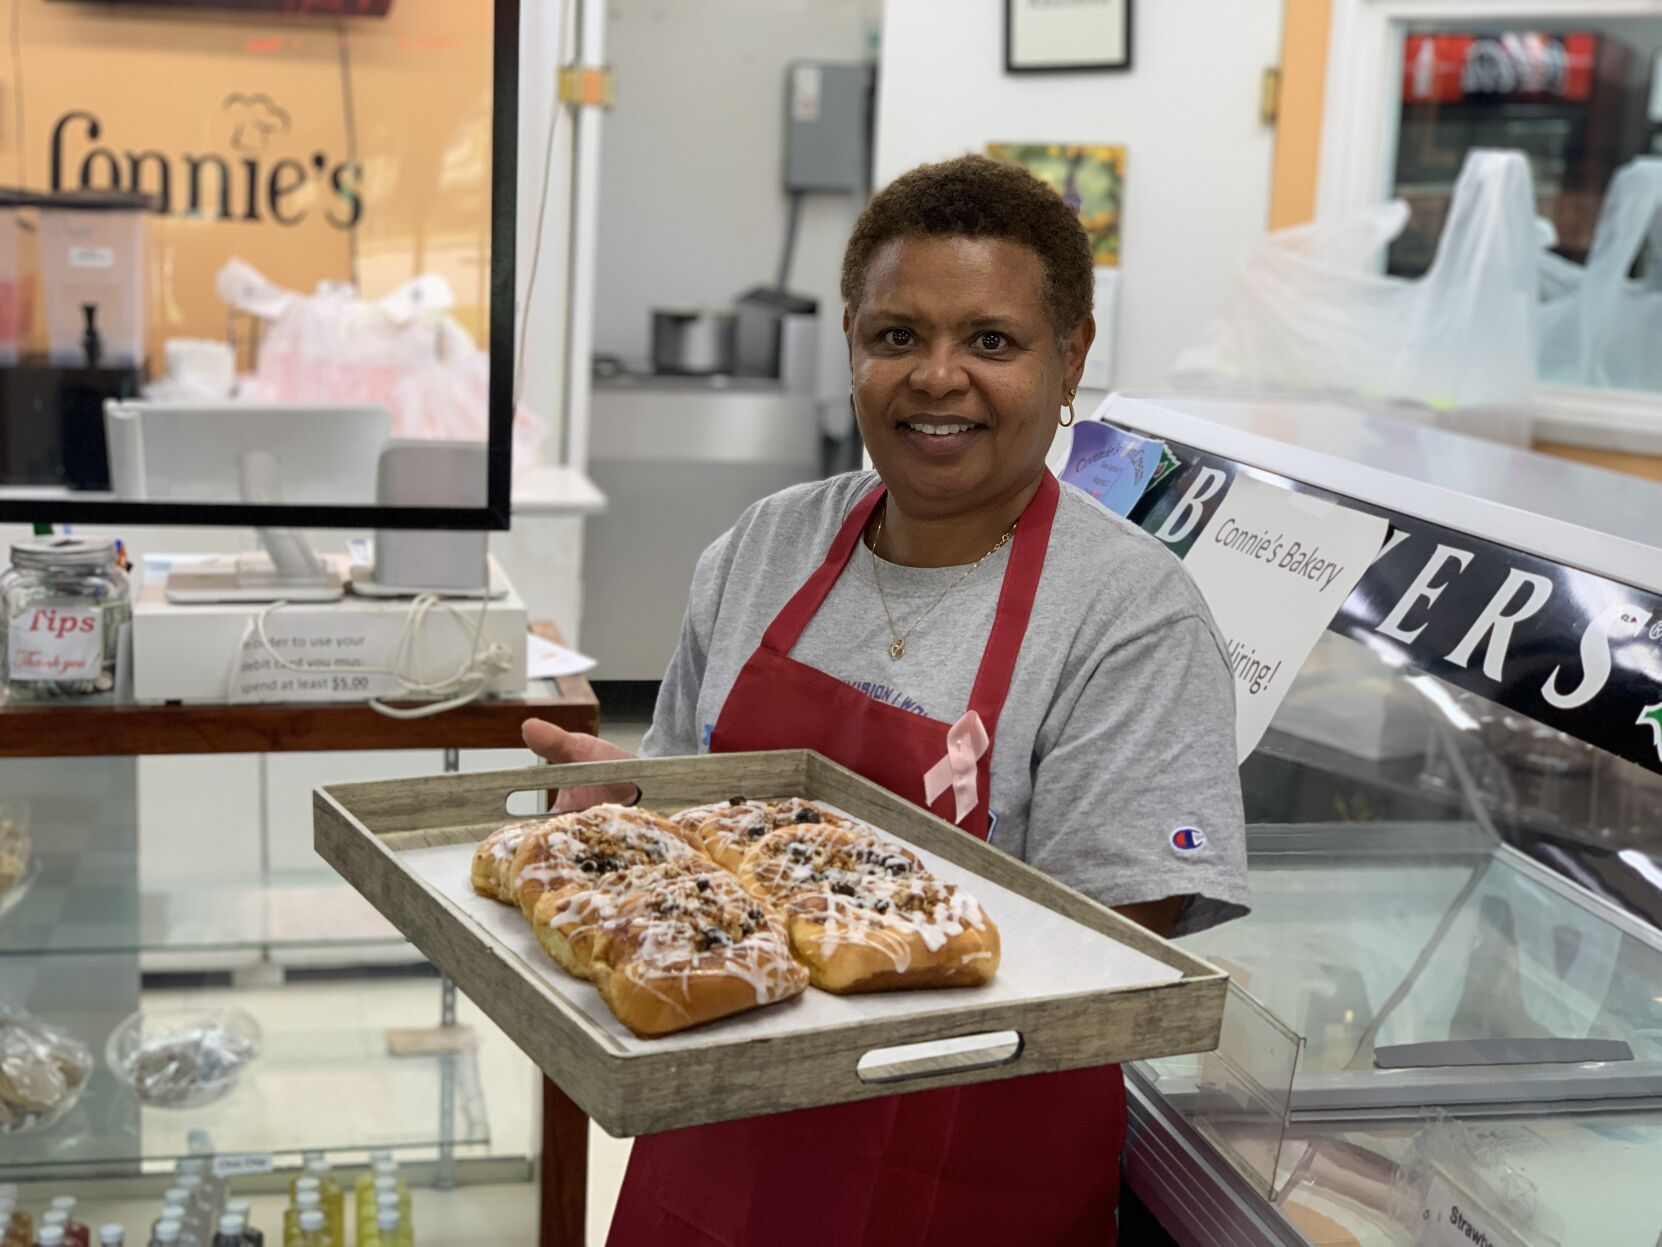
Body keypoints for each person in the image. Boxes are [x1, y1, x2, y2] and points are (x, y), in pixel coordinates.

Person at [524, 155, 1247, 1247]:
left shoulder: (1129, 613)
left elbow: (1117, 942)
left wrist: (812, 924)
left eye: (991, 341)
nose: (937, 376)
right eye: (897, 336)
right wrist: (630, 825)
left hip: (964, 1165)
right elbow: (690, 794)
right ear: (853, 347)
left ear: (1071, 360)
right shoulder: (765, 547)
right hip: (724, 1139)